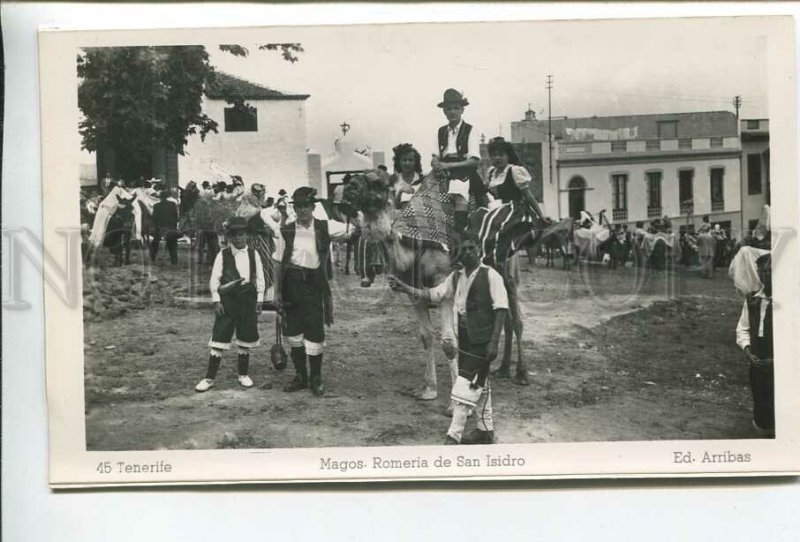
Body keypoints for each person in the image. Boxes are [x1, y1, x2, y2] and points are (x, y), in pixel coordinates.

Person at [388, 232, 508, 445]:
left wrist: (494, 342)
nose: (469, 253)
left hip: (482, 338)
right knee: (481, 383)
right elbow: (433, 295)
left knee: (464, 385)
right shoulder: (455, 278)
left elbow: (501, 309)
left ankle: (453, 436)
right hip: (465, 337)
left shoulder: (492, 276)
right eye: (465, 249)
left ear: (479, 252)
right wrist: (404, 287)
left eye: (472, 248)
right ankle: (485, 429)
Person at [278, 187, 351, 396]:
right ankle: (301, 376)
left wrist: (348, 211)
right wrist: (276, 293)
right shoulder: (286, 230)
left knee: (314, 330)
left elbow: (351, 230)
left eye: (306, 206)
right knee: (294, 331)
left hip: (314, 283)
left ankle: (316, 377)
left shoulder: (324, 226)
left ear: (312, 207)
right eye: (298, 206)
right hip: (291, 283)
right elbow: (277, 262)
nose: (302, 211)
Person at [195, 217, 265, 392]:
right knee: (220, 335)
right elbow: (214, 280)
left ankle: (243, 374)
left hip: (247, 299)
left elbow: (260, 279)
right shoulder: (223, 254)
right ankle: (209, 378)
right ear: (229, 237)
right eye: (234, 235)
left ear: (247, 235)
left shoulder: (253, 254)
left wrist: (259, 299)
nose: (238, 239)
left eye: (241, 235)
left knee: (246, 335)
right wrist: (217, 300)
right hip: (228, 300)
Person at [432, 88, 489, 234]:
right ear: (444, 111)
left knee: (460, 196)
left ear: (462, 110)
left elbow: (473, 162)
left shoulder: (470, 130)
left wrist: (449, 165)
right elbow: (435, 155)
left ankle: (460, 234)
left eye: (456, 108)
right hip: (444, 175)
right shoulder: (441, 131)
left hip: (464, 174)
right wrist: (436, 163)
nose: (452, 112)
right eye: (448, 109)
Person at [732, 248, 774, 436]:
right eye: (762, 272)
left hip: (783, 367)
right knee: (761, 399)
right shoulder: (752, 300)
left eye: (770, 272)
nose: (766, 276)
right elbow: (743, 328)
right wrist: (748, 350)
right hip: (757, 363)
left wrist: (776, 361)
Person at [390, 143, 425, 210]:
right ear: (399, 162)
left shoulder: (422, 180)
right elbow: (392, 208)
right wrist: (400, 192)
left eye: (410, 160)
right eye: (404, 160)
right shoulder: (393, 180)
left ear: (416, 162)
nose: (407, 163)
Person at [151, 189, 181, 265]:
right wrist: (174, 227)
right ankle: (174, 261)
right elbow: (176, 217)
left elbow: (154, 218)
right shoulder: (172, 204)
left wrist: (156, 228)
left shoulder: (156, 206)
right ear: (167, 197)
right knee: (173, 244)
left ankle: (152, 259)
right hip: (170, 227)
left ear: (160, 197)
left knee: (155, 243)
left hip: (160, 228)